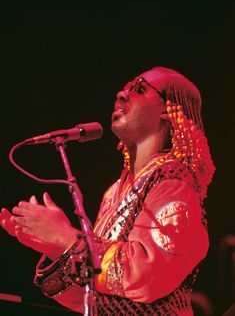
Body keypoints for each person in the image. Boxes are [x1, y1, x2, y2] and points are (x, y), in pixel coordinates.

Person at [0, 66, 215, 315]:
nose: (122, 93)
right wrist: (54, 247)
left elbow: (147, 275)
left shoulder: (174, 183)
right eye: (126, 86)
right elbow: (94, 295)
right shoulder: (114, 192)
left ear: (169, 110)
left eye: (139, 89)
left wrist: (65, 238)